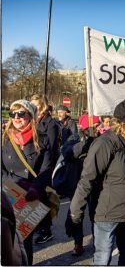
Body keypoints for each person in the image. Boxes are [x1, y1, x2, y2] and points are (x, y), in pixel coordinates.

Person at [69, 99, 125, 265]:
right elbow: (87, 179)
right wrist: (75, 210)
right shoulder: (105, 143)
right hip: (107, 214)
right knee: (103, 258)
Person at [1, 99, 54, 265]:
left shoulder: (43, 140)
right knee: (6, 241)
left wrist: (34, 189)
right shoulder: (4, 138)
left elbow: (47, 169)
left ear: (30, 115)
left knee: (25, 241)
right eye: (13, 114)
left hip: (30, 199)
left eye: (21, 113)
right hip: (7, 196)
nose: (16, 118)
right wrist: (8, 186)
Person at [62, 114, 101, 256]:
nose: (98, 128)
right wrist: (86, 143)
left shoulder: (100, 140)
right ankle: (78, 243)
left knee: (95, 214)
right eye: (96, 126)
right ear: (87, 127)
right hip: (77, 183)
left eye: (99, 125)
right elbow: (67, 152)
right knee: (77, 214)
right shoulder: (74, 138)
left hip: (96, 183)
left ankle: (98, 242)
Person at [30, 94, 58, 244]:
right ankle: (38, 226)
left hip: (44, 167)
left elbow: (52, 148)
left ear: (42, 106)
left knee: (43, 199)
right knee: (36, 199)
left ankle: (46, 230)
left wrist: (49, 171)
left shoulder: (50, 124)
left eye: (34, 105)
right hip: (33, 164)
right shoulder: (34, 120)